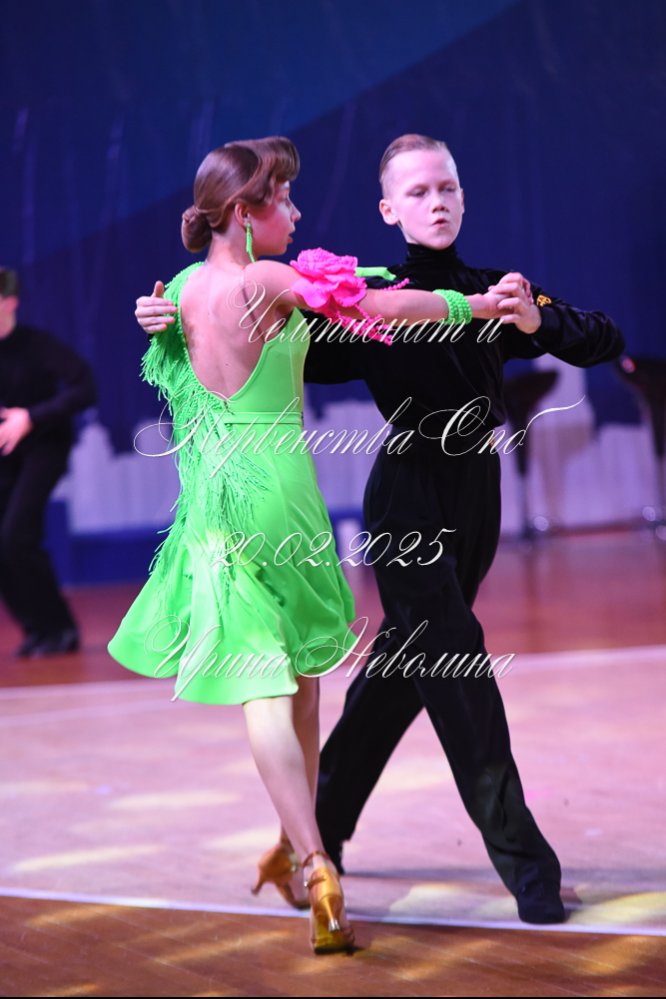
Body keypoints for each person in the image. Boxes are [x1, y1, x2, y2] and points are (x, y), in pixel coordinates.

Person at [111, 136, 506, 955]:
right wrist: (475, 307)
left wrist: (155, 318)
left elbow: (171, 354)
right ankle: (311, 853)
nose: (294, 211)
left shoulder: (179, 291)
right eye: (283, 199)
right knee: (299, 685)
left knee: (264, 685)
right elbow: (380, 313)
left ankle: (308, 854)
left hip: (214, 507)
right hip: (283, 501)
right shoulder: (265, 281)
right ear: (243, 213)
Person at [0, 267, 96, 657]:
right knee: (6, 544)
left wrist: (31, 417)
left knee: (16, 536)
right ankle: (37, 629)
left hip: (43, 447)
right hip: (6, 455)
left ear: (9, 303)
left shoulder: (36, 345)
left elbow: (84, 387)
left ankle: (61, 629)